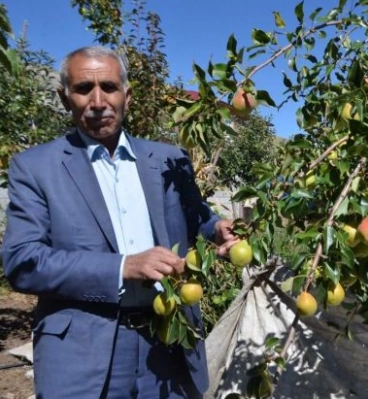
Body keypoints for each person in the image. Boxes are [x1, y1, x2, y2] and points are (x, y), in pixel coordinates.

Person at [2, 46, 238, 398]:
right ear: (64, 97)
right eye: (83, 89)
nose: (98, 101)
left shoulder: (169, 160)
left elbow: (197, 216)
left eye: (109, 87)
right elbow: (23, 262)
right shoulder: (36, 167)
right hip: (82, 354)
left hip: (169, 341)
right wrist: (124, 266)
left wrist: (217, 229)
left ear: (127, 96)